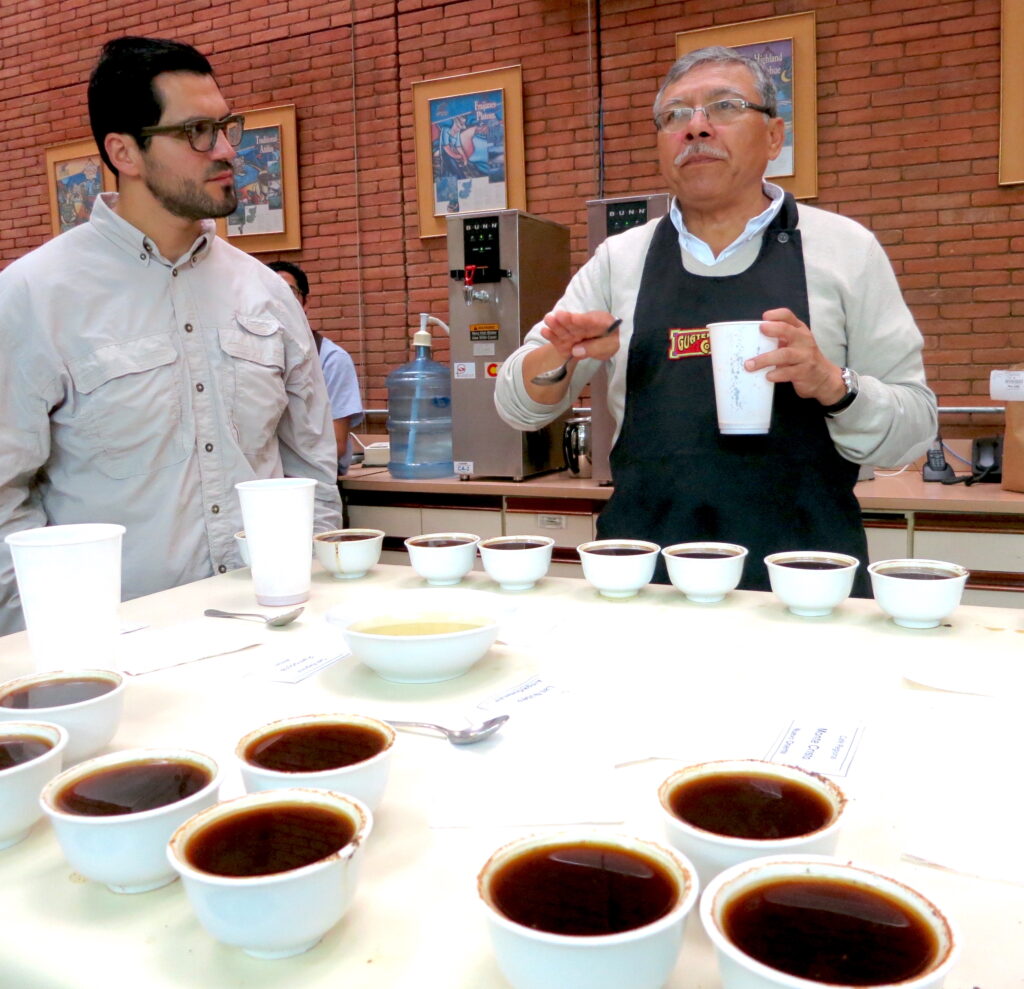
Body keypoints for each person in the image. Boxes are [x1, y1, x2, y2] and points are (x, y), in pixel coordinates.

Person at [495, 46, 937, 594]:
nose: (696, 129)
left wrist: (833, 385)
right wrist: (560, 354)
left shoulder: (845, 249)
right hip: (644, 577)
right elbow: (516, 407)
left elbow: (913, 429)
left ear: (774, 137)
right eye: (676, 115)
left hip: (807, 582)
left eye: (723, 107)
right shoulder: (620, 259)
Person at [0, 36, 341, 635]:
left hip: (266, 631)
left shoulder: (268, 293)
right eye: (197, 132)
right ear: (124, 152)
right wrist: (47, 649)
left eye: (228, 126)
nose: (228, 150)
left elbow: (310, 469)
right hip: (115, 648)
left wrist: (306, 596)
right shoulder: (33, 297)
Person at [267, 260, 364, 474]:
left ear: (305, 302)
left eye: (287, 292)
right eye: (268, 293)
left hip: (311, 483)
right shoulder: (249, 359)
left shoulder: (331, 360)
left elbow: (335, 446)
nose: (277, 302)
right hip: (262, 482)